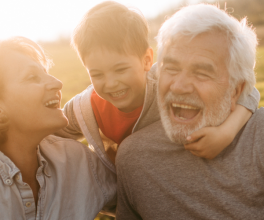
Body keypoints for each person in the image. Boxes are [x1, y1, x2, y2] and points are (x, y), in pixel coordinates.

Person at [56, 1, 259, 177]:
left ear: (146, 60)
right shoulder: (85, 107)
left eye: (120, 69)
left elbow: (248, 91)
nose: (110, 83)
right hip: (116, 192)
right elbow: (50, 132)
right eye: (97, 74)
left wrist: (226, 132)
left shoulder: (165, 84)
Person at [116, 4, 264, 220]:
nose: (178, 86)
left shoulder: (258, 138)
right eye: (172, 68)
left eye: (202, 72)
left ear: (236, 90)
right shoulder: (133, 159)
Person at [0, 37, 116, 220]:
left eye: (46, 73)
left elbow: (138, 200)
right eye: (32, 77)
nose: (57, 83)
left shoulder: (76, 160)